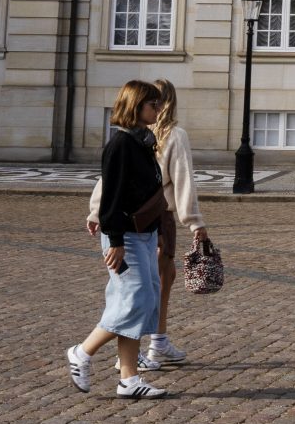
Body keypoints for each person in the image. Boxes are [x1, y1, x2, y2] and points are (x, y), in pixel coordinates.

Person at [85, 79, 209, 370]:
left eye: (157, 102)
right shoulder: (163, 136)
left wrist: (94, 211)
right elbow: (183, 182)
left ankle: (137, 354)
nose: (156, 108)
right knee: (150, 287)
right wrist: (194, 221)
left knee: (144, 286)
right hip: (154, 218)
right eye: (152, 103)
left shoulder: (141, 135)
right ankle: (151, 344)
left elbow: (107, 182)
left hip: (139, 219)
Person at [66, 80, 169, 399]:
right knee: (135, 299)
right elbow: (111, 194)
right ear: (136, 106)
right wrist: (114, 240)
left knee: (144, 299)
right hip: (125, 235)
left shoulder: (142, 141)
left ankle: (129, 379)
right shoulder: (121, 144)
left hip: (145, 234)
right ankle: (82, 352)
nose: (158, 109)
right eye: (153, 104)